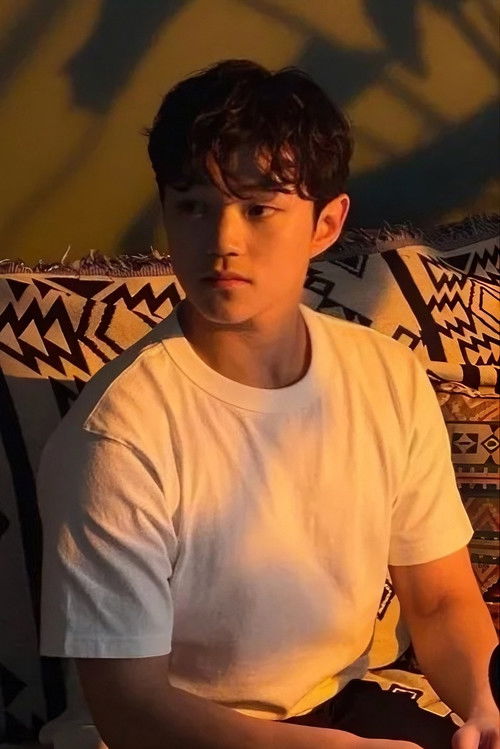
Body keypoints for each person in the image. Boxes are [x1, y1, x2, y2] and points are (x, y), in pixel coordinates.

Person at [37, 59, 499, 749]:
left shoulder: (388, 375)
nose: (223, 241)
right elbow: (130, 709)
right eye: (192, 205)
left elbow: (439, 599)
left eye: (258, 208)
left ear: (326, 223)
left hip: (337, 705)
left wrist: (485, 706)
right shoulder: (118, 434)